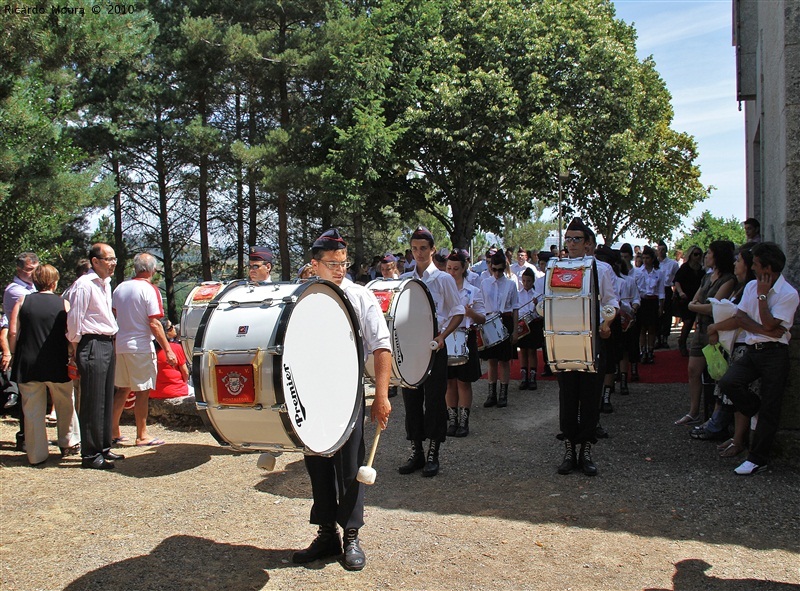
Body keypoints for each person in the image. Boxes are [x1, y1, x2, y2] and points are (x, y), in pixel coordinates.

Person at [292, 229, 391, 571]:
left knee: (349, 467)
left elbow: (381, 345)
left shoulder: (360, 296)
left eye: (343, 263)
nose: (339, 269)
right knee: (316, 462)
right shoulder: (301, 296)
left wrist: (381, 395)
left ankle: (351, 535)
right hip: (308, 392)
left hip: (346, 392)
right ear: (314, 264)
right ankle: (325, 534)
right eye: (332, 263)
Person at [710, 242, 798, 475]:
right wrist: (765, 329)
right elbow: (740, 317)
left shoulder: (788, 294)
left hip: (774, 354)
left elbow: (770, 323)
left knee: (772, 406)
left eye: (757, 264)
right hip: (753, 350)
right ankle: (755, 409)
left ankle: (758, 458)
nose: (754, 269)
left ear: (767, 267)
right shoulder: (750, 286)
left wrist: (761, 298)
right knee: (730, 382)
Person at [398, 227, 464, 477]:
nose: (419, 253)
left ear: (433, 250)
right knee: (411, 400)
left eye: (423, 248)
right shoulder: (405, 278)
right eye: (414, 249)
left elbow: (458, 311)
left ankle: (434, 451)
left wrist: (443, 336)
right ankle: (417, 450)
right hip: (410, 347)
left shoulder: (444, 279)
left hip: (434, 347)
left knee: (435, 400)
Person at [555, 218, 617, 476]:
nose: (571, 244)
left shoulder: (601, 269)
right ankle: (570, 449)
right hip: (565, 340)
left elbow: (612, 300)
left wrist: (607, 321)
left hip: (592, 340)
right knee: (567, 396)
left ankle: (586, 451)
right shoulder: (556, 268)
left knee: (590, 397)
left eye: (576, 239)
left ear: (588, 243)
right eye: (568, 239)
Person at [8, 265, 81, 465]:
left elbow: (13, 331)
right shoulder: (63, 304)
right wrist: (72, 353)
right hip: (57, 361)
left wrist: (13, 352)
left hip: (28, 362)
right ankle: (69, 442)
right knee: (66, 403)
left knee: (32, 410)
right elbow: (70, 333)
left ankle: (36, 454)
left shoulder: (23, 301)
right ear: (54, 282)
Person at [110, 253, 176, 447]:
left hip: (120, 344)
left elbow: (115, 313)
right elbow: (154, 323)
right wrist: (168, 350)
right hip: (140, 346)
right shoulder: (150, 289)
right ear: (151, 270)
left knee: (122, 390)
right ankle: (142, 434)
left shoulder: (120, 288)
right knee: (143, 391)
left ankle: (113, 431)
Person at [65, 243, 120, 470]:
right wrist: (77, 348)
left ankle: (103, 447)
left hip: (107, 341)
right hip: (91, 342)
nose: (113, 263)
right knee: (92, 400)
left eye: (114, 258)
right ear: (95, 261)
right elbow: (74, 321)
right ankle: (90, 454)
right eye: (108, 259)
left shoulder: (105, 284)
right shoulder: (84, 285)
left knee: (106, 396)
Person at [675, 241, 735, 426]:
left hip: (715, 332)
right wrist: (699, 306)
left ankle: (715, 416)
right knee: (693, 370)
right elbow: (695, 302)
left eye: (709, 253)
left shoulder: (728, 279)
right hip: (700, 329)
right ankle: (694, 412)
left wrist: (697, 306)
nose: (706, 256)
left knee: (717, 374)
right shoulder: (707, 278)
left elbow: (713, 307)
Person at [444, 250, 485, 437]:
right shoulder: (441, 289)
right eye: (449, 268)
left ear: (463, 269)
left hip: (465, 336)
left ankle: (464, 421)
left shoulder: (473, 291)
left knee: (463, 382)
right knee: (449, 382)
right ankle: (452, 420)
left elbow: (483, 318)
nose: (452, 272)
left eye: (456, 269)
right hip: (445, 337)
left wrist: (470, 313)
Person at [3, 252, 39, 449]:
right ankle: (25, 436)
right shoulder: (15, 290)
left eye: (35, 269)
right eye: (29, 270)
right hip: (25, 345)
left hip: (31, 343)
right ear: (19, 270)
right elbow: (37, 303)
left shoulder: (30, 287)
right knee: (28, 394)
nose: (33, 274)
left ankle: (28, 435)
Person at [480, 251, 520, 407]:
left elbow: (515, 307)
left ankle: (503, 394)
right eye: (494, 269)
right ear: (490, 267)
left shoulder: (511, 284)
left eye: (500, 270)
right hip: (489, 321)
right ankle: (492, 394)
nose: (496, 273)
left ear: (504, 268)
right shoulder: (484, 283)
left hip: (505, 320)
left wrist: (516, 330)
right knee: (491, 360)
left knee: (504, 360)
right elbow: (481, 305)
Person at [672, 246, 705, 357]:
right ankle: (682, 341)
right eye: (695, 254)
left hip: (697, 297)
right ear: (690, 255)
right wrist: (681, 292)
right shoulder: (685, 268)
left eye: (699, 254)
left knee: (698, 322)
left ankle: (695, 343)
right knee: (688, 321)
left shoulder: (701, 269)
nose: (698, 256)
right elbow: (677, 281)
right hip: (685, 297)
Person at [634, 246, 664, 364]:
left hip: (653, 301)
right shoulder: (638, 272)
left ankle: (651, 350)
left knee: (652, 328)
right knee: (642, 328)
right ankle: (643, 351)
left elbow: (661, 291)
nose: (645, 260)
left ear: (652, 259)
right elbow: (635, 289)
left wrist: (661, 306)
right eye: (644, 258)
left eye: (648, 258)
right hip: (642, 301)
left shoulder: (659, 272)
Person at [516, 267, 543, 391]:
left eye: (529, 281)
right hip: (522, 324)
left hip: (533, 324)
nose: (526, 283)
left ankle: (532, 377)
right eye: (524, 281)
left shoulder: (537, 295)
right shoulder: (517, 295)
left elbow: (541, 313)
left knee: (532, 351)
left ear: (533, 281)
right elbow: (516, 309)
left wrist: (537, 304)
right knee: (523, 350)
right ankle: (524, 377)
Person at [151, 318, 189, 399]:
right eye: (171, 327)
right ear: (165, 333)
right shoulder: (176, 347)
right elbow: (185, 373)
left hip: (153, 392)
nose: (174, 327)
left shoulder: (151, 349)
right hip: (176, 391)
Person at [656, 242, 679, 349]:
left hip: (667, 289)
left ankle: (665, 338)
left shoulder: (672, 264)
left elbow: (676, 279)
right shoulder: (655, 263)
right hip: (656, 290)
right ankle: (657, 338)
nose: (660, 252)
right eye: (659, 249)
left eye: (662, 249)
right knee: (656, 315)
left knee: (667, 315)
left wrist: (675, 292)